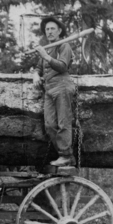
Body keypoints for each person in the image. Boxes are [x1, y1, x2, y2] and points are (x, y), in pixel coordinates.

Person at [31, 16, 76, 166]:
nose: (49, 32)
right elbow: (38, 68)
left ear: (59, 31)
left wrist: (45, 56)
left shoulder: (64, 46)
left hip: (62, 86)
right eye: (47, 29)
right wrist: (36, 75)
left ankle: (66, 155)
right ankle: (66, 155)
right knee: (49, 125)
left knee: (64, 122)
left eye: (52, 29)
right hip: (49, 90)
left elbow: (63, 66)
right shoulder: (47, 48)